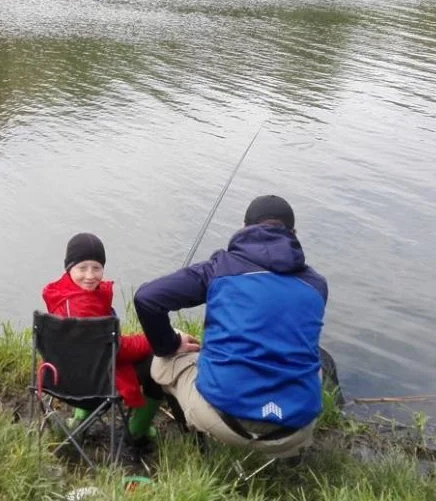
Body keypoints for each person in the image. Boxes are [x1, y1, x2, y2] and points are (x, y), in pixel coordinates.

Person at [133, 195, 327, 457]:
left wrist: (170, 344)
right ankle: (293, 456)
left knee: (162, 357)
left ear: (243, 227)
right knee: (315, 361)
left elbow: (147, 298)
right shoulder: (316, 285)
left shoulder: (220, 269)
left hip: (225, 422)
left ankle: (185, 439)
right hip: (294, 431)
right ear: (293, 234)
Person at [41, 233, 163, 444]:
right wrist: (156, 338)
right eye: (82, 268)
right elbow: (118, 350)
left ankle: (79, 421)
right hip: (94, 388)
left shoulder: (60, 294)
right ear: (69, 268)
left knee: (85, 356)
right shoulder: (83, 309)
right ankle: (137, 430)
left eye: (96, 268)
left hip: (60, 379)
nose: (90, 275)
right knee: (158, 359)